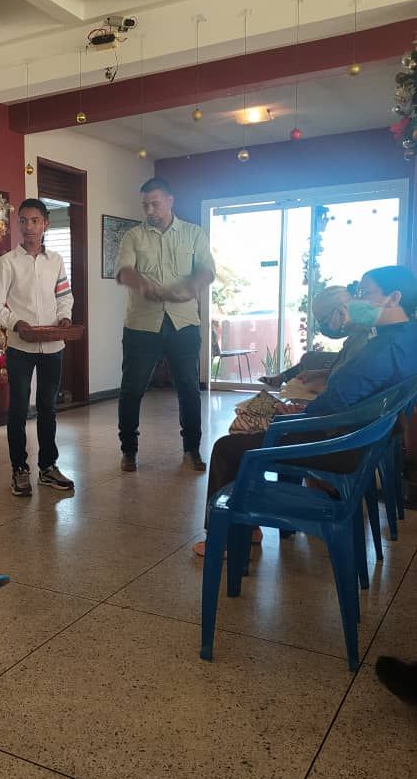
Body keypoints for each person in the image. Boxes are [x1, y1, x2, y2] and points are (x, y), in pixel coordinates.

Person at [193, 265, 417, 556]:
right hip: (359, 438)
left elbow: (336, 402)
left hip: (337, 443)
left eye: (365, 293)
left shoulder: (381, 350)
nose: (357, 300)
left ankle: (223, 538)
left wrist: (293, 414)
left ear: (393, 298)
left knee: (227, 447)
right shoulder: (405, 337)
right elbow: (348, 395)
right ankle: (245, 528)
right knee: (254, 430)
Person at [116, 178, 215, 472]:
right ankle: (129, 451)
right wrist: (144, 286)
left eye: (155, 203)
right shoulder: (133, 236)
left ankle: (192, 450)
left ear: (170, 200)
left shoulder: (194, 234)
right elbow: (124, 272)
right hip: (142, 324)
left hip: (183, 323)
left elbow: (207, 270)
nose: (149, 210)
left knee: (188, 388)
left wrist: (190, 288)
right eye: (145, 205)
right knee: (132, 389)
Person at [0, 198, 75, 497]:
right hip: (20, 347)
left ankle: (48, 468)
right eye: (23, 220)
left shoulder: (56, 260)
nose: (28, 227)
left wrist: (65, 317)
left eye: (35, 220)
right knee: (19, 409)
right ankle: (19, 469)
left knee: (48, 408)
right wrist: (16, 323)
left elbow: (64, 296)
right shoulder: (7, 262)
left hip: (52, 346)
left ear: (46, 224)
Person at [259, 286, 371, 394]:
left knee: (310, 359)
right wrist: (317, 374)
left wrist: (312, 391)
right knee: (309, 358)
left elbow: (348, 387)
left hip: (340, 408)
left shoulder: (363, 341)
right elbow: (342, 371)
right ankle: (282, 378)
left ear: (341, 312)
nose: (324, 327)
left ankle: (281, 378)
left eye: (324, 321)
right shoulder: (355, 337)